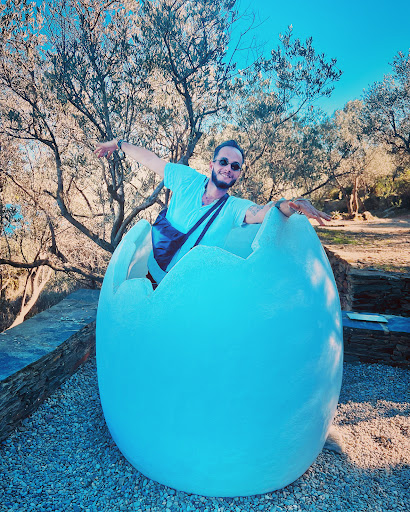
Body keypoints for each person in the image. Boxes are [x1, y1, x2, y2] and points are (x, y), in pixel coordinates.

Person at [94, 138, 331, 283]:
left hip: (186, 290)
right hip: (151, 276)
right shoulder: (186, 179)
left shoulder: (233, 207)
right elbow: (150, 159)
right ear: (212, 164)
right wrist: (118, 144)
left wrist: (292, 204)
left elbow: (263, 212)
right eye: (223, 162)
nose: (228, 169)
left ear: (238, 174)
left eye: (235, 166)